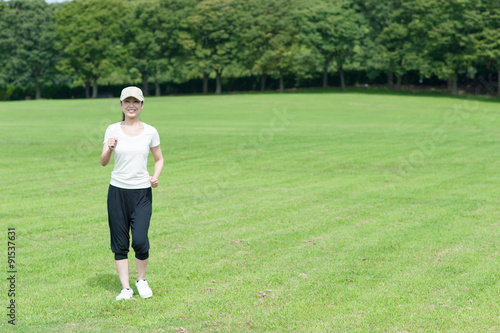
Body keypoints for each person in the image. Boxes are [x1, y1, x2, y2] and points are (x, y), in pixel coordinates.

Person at [100, 86, 164, 300]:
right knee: (119, 241)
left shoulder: (150, 131)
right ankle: (126, 288)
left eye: (135, 101)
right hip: (117, 191)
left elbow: (159, 158)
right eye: (127, 101)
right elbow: (103, 162)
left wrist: (155, 176)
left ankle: (142, 280)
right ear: (120, 105)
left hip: (142, 193)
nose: (131, 105)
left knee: (139, 239)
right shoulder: (112, 129)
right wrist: (108, 148)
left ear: (142, 105)